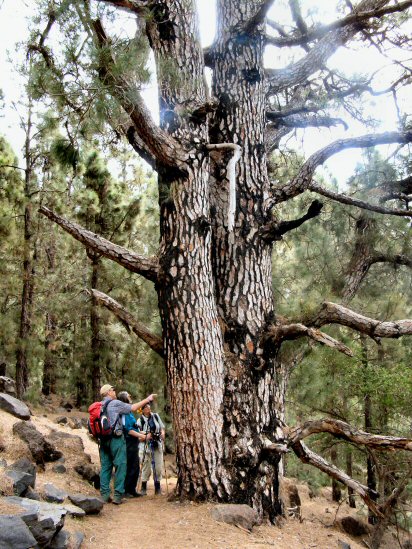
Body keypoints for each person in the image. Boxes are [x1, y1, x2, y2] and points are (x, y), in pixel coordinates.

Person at [98, 384, 156, 504]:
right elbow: (133, 408)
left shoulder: (99, 405)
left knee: (106, 467)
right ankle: (118, 495)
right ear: (108, 392)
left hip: (103, 440)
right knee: (121, 465)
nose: (114, 391)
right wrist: (147, 399)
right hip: (115, 438)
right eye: (113, 390)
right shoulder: (114, 403)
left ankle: (104, 495)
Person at [117, 390, 146, 498]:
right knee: (129, 465)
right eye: (128, 396)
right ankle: (125, 490)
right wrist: (142, 436)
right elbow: (128, 430)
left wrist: (142, 434)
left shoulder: (129, 412)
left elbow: (134, 427)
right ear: (124, 399)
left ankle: (132, 489)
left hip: (134, 442)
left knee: (135, 466)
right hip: (128, 442)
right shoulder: (123, 412)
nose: (130, 396)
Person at [137, 402, 166, 495]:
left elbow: (161, 427)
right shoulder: (139, 420)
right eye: (145, 407)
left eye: (148, 406)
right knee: (146, 466)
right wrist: (146, 436)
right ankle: (143, 487)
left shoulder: (156, 416)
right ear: (142, 409)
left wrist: (162, 434)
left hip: (157, 444)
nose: (148, 408)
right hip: (144, 445)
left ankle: (157, 487)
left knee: (158, 466)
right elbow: (137, 436)